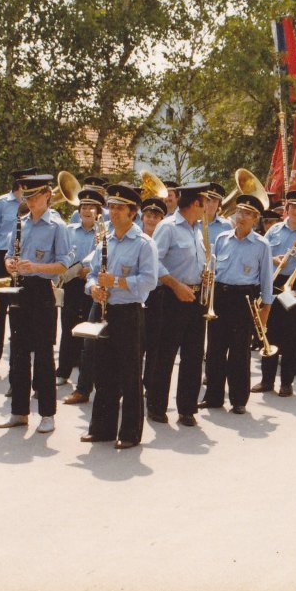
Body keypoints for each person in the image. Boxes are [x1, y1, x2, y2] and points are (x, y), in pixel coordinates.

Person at [80, 184, 158, 449]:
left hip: (128, 312)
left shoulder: (144, 244)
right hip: (104, 309)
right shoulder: (105, 239)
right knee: (103, 370)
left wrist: (116, 282)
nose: (113, 213)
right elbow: (91, 273)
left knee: (129, 373)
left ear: (133, 212)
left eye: (119, 208)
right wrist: (93, 287)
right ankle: (101, 428)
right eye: (111, 207)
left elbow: (149, 281)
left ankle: (130, 433)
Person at [0, 174, 71, 433]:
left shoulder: (57, 226)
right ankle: (18, 411)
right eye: (27, 196)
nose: (31, 201)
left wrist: (36, 266)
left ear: (47, 194)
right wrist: (9, 264)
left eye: (35, 196)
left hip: (41, 291)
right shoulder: (20, 223)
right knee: (17, 354)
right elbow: (7, 255)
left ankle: (47, 414)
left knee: (43, 355)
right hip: (20, 290)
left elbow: (63, 264)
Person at [200, 194, 273, 413]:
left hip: (245, 299)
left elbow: (267, 281)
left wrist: (265, 311)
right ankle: (213, 396)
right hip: (220, 297)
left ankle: (239, 399)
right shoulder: (222, 238)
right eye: (240, 212)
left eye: (248, 214)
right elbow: (213, 268)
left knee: (239, 352)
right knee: (214, 349)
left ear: (256, 219)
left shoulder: (262, 245)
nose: (241, 217)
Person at [147, 182, 211, 426]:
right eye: (204, 203)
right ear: (196, 203)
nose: (206, 208)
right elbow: (155, 263)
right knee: (165, 354)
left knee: (193, 356)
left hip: (195, 298)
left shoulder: (197, 229)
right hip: (172, 297)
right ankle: (156, 406)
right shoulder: (168, 227)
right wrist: (176, 285)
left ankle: (187, 409)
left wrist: (203, 275)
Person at [252, 189, 296, 397]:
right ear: (287, 208)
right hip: (273, 282)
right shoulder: (273, 231)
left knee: (291, 336)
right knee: (269, 333)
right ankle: (266, 380)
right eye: (294, 207)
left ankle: (286, 383)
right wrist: (274, 259)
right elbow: (261, 255)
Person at [0, 168, 34, 376]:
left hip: (26, 259)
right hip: (3, 257)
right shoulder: (1, 203)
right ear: (20, 185)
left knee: (22, 311)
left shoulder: (36, 205)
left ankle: (21, 365)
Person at [57, 189, 105, 395]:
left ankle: (88, 377)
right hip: (71, 283)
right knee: (68, 326)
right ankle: (63, 371)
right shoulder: (69, 230)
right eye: (84, 207)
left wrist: (89, 270)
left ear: (99, 211)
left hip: (91, 284)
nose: (87, 211)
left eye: (91, 207)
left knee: (89, 331)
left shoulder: (103, 231)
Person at [137, 197, 168, 400]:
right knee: (135, 343)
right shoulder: (135, 237)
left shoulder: (165, 237)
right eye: (148, 215)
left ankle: (150, 384)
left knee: (155, 344)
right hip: (137, 293)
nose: (151, 219)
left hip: (158, 294)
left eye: (156, 216)